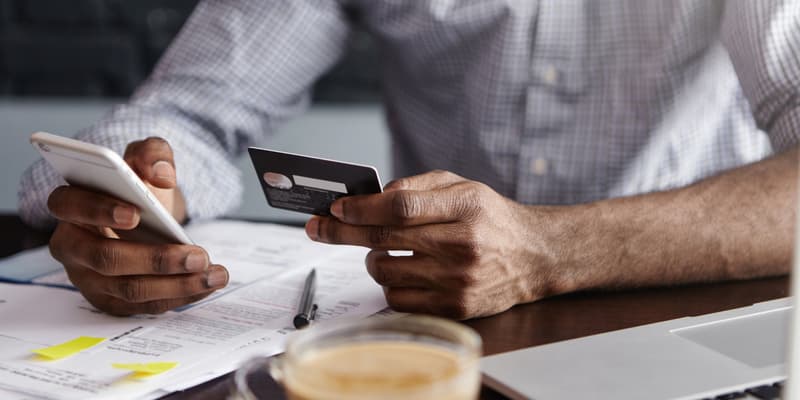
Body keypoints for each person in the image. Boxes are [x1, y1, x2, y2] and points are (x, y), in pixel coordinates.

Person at [18, 1, 800, 319]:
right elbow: (191, 109)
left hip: (678, 317)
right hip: (428, 335)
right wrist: (142, 194)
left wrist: (550, 250)